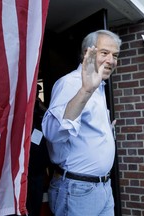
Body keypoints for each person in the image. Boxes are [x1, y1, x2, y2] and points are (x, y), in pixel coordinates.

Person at [41, 29, 121, 216]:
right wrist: (85, 91)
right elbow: (52, 133)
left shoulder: (99, 86)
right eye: (104, 53)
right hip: (77, 191)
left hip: (103, 188)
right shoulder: (71, 84)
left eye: (115, 55)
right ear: (88, 53)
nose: (111, 60)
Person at [27, 84, 51, 216]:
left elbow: (53, 121)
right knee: (28, 200)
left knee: (38, 199)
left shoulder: (41, 110)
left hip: (39, 164)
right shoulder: (23, 109)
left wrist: (42, 108)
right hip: (28, 165)